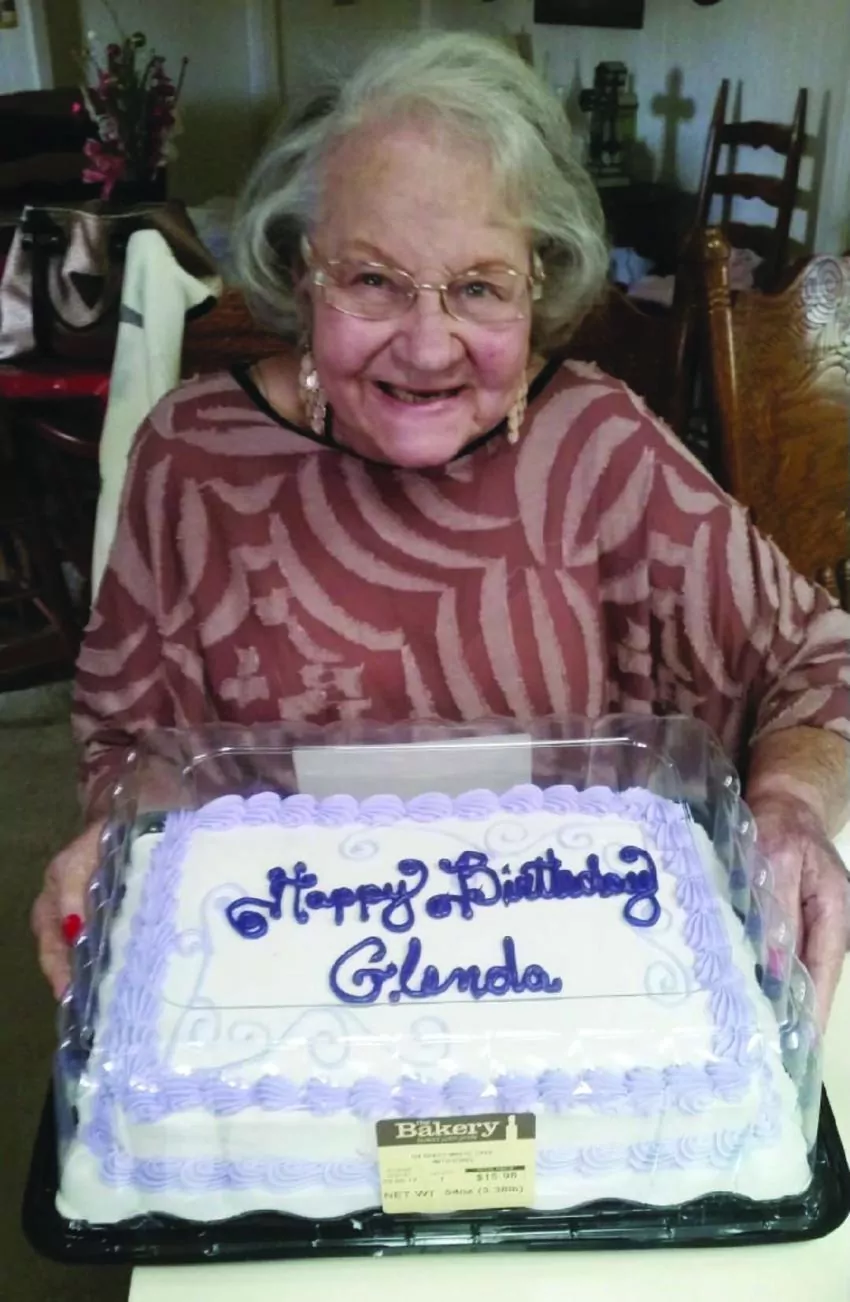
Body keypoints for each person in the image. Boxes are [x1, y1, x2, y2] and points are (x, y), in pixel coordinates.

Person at [32, 32, 850, 1020]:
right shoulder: (193, 458)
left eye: (478, 287)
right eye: (373, 280)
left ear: (536, 285)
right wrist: (125, 835)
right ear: (301, 269)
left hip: (566, 1007)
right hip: (281, 1012)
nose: (427, 347)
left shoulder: (597, 446)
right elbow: (132, 744)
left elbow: (821, 662)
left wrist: (791, 807)